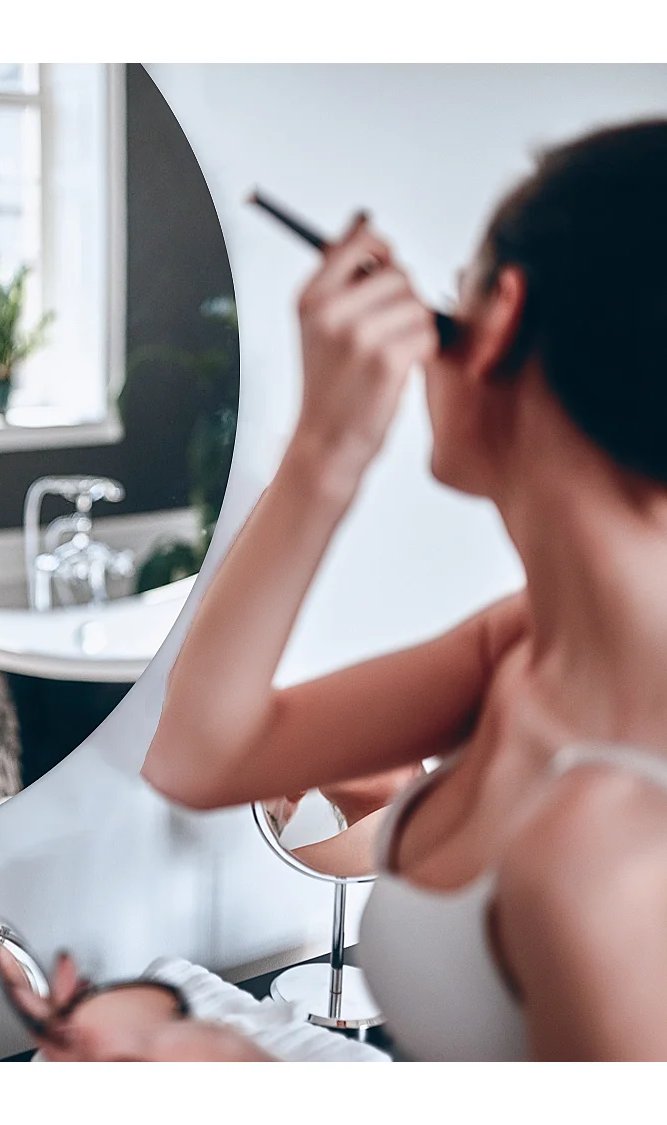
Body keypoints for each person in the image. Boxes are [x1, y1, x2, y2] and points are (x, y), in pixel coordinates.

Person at [119, 118, 667, 1060]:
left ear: (495, 325)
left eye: (456, 295)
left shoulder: (608, 853)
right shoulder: (526, 644)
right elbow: (198, 757)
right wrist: (324, 454)